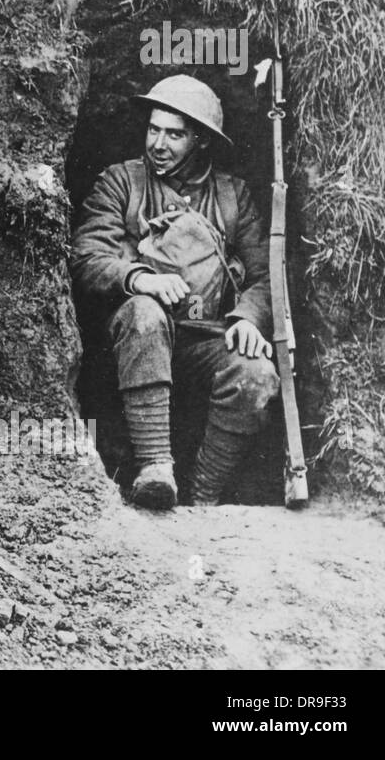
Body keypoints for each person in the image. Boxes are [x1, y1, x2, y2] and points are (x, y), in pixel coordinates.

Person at [70, 75, 278, 509]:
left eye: (175, 134)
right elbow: (87, 256)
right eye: (153, 129)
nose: (158, 144)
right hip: (133, 344)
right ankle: (155, 470)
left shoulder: (232, 196)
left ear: (200, 140)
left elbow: (266, 275)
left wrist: (248, 319)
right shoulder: (121, 183)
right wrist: (139, 279)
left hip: (206, 340)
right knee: (143, 313)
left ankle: (204, 496)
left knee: (256, 375)